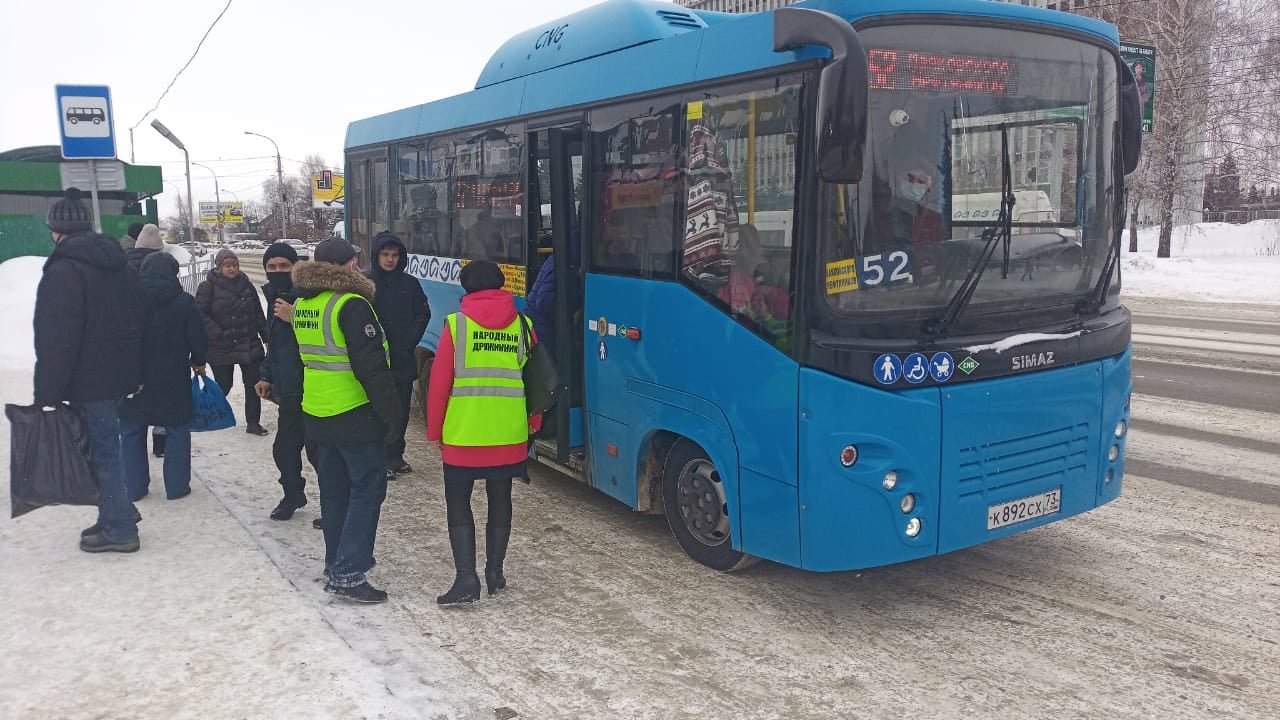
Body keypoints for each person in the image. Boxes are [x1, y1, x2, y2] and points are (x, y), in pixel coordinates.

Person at [33, 188, 145, 553]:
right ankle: (116, 511)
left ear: (56, 230)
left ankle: (120, 527)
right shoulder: (119, 266)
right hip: (116, 377)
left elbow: (57, 335)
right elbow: (140, 322)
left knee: (101, 453)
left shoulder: (64, 269)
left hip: (87, 379)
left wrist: (47, 389)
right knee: (104, 449)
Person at [293, 239, 402, 603]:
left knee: (335, 490)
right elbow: (371, 367)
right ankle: (349, 573)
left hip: (318, 410)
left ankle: (335, 561)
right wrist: (391, 414)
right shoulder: (350, 304)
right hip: (354, 411)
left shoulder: (305, 304)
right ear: (348, 266)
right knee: (367, 489)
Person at [427, 260, 542, 605]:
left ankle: (466, 579)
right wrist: (531, 426)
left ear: (466, 288)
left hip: (464, 433)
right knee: (500, 499)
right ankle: (496, 572)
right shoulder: (523, 325)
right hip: (508, 433)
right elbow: (535, 381)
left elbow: (439, 384)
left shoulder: (456, 326)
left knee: (459, 503)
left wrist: (435, 431)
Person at [120, 253, 208, 501]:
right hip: (173, 377)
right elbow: (198, 338)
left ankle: (134, 487)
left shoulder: (129, 301)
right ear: (174, 272)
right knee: (177, 429)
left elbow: (119, 339)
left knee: (131, 431)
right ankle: (177, 486)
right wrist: (199, 361)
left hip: (134, 377)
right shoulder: (184, 302)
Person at [254, 242, 319, 520]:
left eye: (284, 266)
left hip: (314, 389)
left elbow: (322, 339)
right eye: (272, 267)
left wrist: (296, 318)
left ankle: (334, 504)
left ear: (296, 267)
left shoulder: (308, 297)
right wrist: (266, 375)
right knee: (284, 450)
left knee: (319, 454)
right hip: (288, 390)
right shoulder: (274, 297)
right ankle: (293, 494)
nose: (278, 271)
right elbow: (275, 344)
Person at [366, 231, 431, 477]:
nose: (390, 260)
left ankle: (395, 455)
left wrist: (408, 341)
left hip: (402, 358)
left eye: (394, 255)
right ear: (376, 256)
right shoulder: (366, 282)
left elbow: (423, 314)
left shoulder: (409, 283)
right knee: (377, 410)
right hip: (375, 359)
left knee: (400, 410)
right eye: (385, 254)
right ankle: (378, 458)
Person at [196, 248, 269, 435]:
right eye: (227, 265)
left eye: (235, 265)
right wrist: (217, 332)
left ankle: (253, 422)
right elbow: (199, 314)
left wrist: (267, 337)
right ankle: (209, 413)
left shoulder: (246, 284)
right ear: (219, 267)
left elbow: (258, 313)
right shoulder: (207, 287)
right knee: (224, 385)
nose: (232, 269)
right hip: (221, 345)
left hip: (248, 343)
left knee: (253, 385)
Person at [124, 222, 169, 458]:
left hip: (131, 346)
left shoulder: (124, 266)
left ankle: (134, 465)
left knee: (134, 405)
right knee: (162, 397)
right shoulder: (162, 268)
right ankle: (160, 442)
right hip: (161, 344)